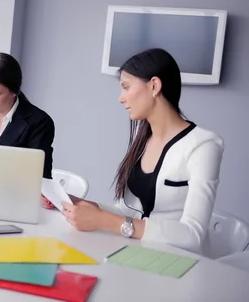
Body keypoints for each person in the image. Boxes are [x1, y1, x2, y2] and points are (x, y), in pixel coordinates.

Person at [50, 48, 224, 256]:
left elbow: (192, 235)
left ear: (154, 86)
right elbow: (129, 213)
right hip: (138, 254)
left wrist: (105, 221)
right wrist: (76, 203)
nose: (120, 98)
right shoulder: (142, 138)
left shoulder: (204, 145)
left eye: (126, 87)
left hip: (181, 263)